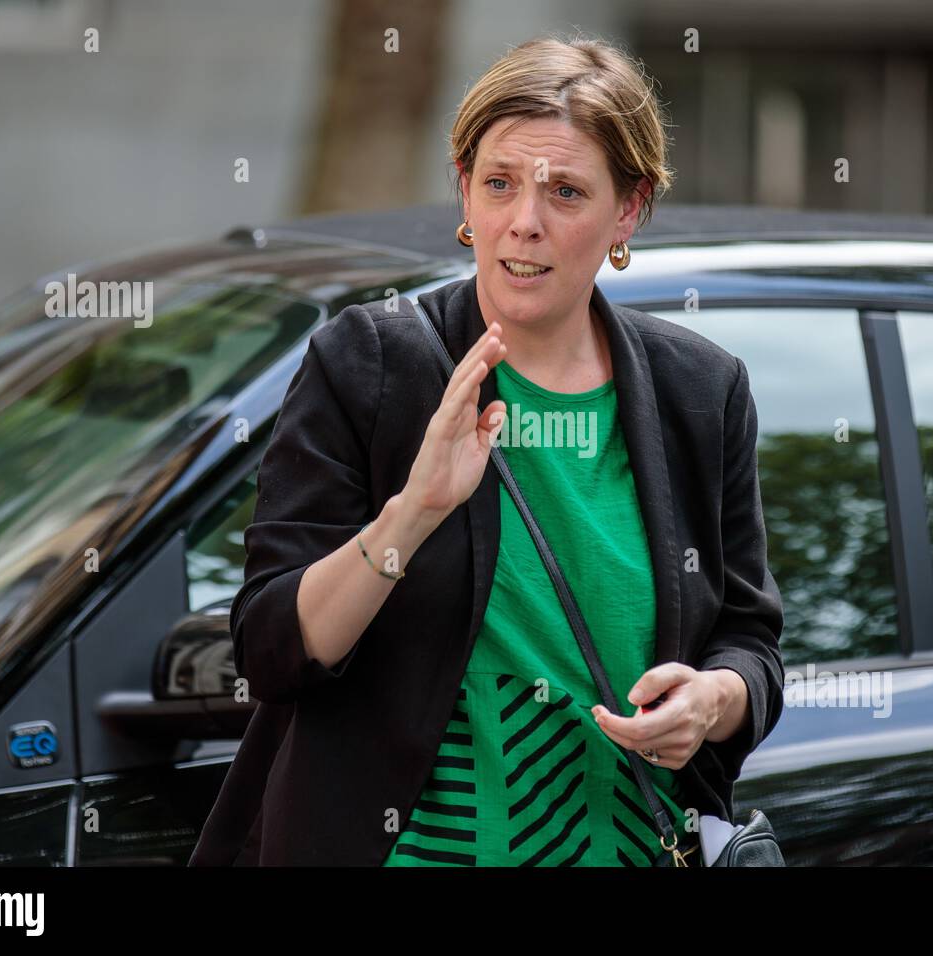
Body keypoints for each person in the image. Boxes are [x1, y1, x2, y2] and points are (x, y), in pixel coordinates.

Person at [190, 31, 784, 867]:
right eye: (499, 183)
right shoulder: (370, 364)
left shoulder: (701, 391)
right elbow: (271, 650)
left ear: (629, 210)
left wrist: (713, 701)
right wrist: (413, 513)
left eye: (566, 192)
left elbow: (752, 645)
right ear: (464, 192)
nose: (524, 223)